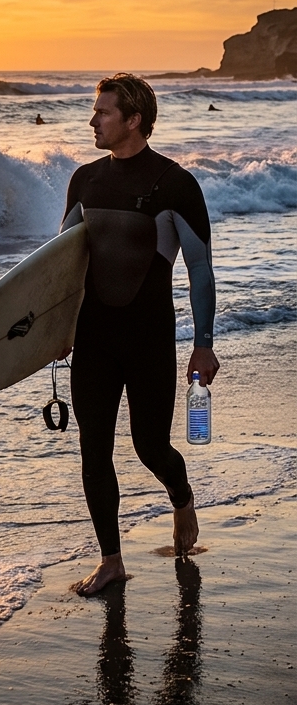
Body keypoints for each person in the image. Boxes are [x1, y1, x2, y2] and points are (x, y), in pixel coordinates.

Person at [61, 73, 219, 595]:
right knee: (93, 449)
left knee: (151, 445)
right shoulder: (84, 180)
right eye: (95, 110)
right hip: (93, 339)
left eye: (103, 112)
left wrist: (204, 343)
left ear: (134, 120)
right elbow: (60, 266)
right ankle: (111, 560)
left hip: (149, 335)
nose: (93, 120)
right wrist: (50, 333)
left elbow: (199, 266)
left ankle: (182, 497)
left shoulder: (175, 183)